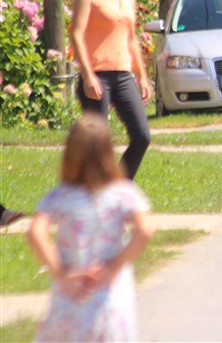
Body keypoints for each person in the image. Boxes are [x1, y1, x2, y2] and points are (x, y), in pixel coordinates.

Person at [28, 113, 154, 341]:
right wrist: (113, 266)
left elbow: (36, 232)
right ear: (108, 152)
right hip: (110, 299)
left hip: (71, 299)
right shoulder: (123, 194)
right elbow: (145, 230)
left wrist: (61, 272)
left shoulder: (60, 196)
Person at [70, 0, 152, 179]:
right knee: (97, 144)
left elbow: (131, 38)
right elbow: (76, 34)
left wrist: (143, 77)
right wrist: (87, 76)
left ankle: (118, 187)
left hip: (123, 75)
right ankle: (89, 191)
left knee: (142, 136)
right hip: (97, 75)